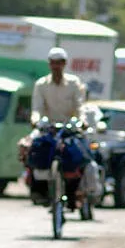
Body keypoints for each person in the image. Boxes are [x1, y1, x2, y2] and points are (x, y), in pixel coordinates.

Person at [20, 47, 86, 204]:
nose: (56, 66)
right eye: (53, 63)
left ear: (64, 64)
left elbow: (80, 106)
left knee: (81, 154)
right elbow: (36, 108)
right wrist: (35, 120)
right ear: (49, 64)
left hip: (69, 128)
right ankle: (37, 189)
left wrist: (82, 120)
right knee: (30, 148)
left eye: (59, 63)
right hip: (47, 128)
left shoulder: (74, 83)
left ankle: (75, 191)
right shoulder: (41, 84)